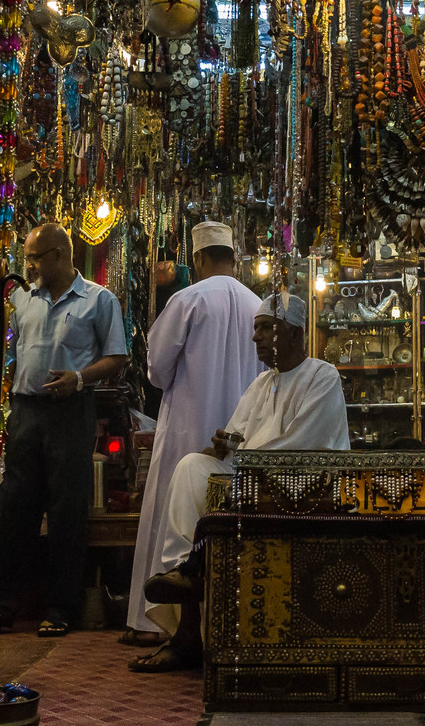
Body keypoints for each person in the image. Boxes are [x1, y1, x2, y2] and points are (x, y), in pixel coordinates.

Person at [129, 292, 348, 672]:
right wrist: (219, 447)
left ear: (294, 334)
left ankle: (191, 576)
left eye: (266, 329)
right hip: (252, 482)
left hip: (303, 491)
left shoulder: (321, 375)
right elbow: (232, 442)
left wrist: (239, 453)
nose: (255, 338)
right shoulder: (261, 385)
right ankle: (185, 582)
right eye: (255, 329)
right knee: (191, 467)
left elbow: (303, 446)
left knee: (217, 482)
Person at [124, 221, 264, 643]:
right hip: (239, 434)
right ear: (233, 258)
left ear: (199, 258)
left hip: (187, 427)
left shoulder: (188, 299)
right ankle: (223, 623)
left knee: (172, 515)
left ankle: (153, 623)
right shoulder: (259, 304)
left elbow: (157, 371)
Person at [0, 222, 128, 637]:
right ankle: (5, 603)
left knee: (67, 511)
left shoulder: (98, 300)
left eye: (35, 257)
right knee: (16, 508)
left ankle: (59, 607)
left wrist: (79, 378)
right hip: (25, 411)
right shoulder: (22, 298)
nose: (29, 265)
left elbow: (117, 357)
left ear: (58, 254)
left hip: (70, 411)